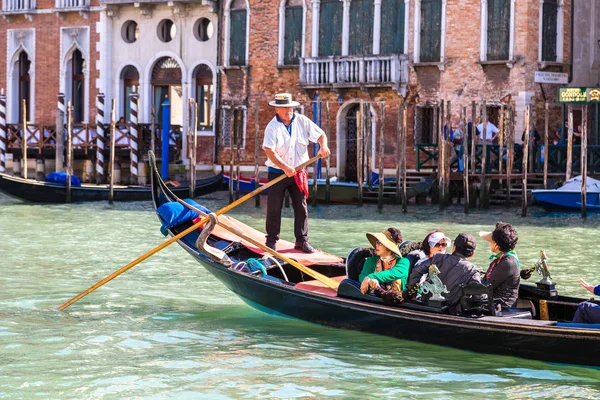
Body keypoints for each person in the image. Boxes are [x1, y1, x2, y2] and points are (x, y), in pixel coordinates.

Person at [262, 93, 330, 253]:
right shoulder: (272, 127)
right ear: (277, 109)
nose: (289, 110)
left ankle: (302, 240)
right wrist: (285, 167)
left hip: (299, 172)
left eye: (290, 107)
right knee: (274, 207)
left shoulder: (302, 121)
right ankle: (271, 240)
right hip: (277, 172)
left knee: (301, 207)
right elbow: (270, 152)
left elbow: (321, 135)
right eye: (285, 108)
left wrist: (323, 146)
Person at [406, 233, 483, 314]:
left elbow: (417, 271)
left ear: (454, 247)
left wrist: (411, 290)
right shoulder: (473, 270)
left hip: (427, 305)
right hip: (452, 312)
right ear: (472, 253)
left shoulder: (437, 258)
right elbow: (478, 296)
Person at [479, 222, 520, 311]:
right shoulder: (501, 259)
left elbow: (488, 285)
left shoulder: (507, 263)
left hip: (502, 306)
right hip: (494, 302)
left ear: (497, 245)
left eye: (491, 241)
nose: (489, 243)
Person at [359, 228, 410, 294]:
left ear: (388, 246)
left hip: (397, 300)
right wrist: (370, 281)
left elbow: (393, 273)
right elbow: (362, 275)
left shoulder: (403, 262)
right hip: (374, 299)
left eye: (380, 243)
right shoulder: (371, 260)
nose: (376, 245)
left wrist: (371, 277)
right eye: (377, 242)